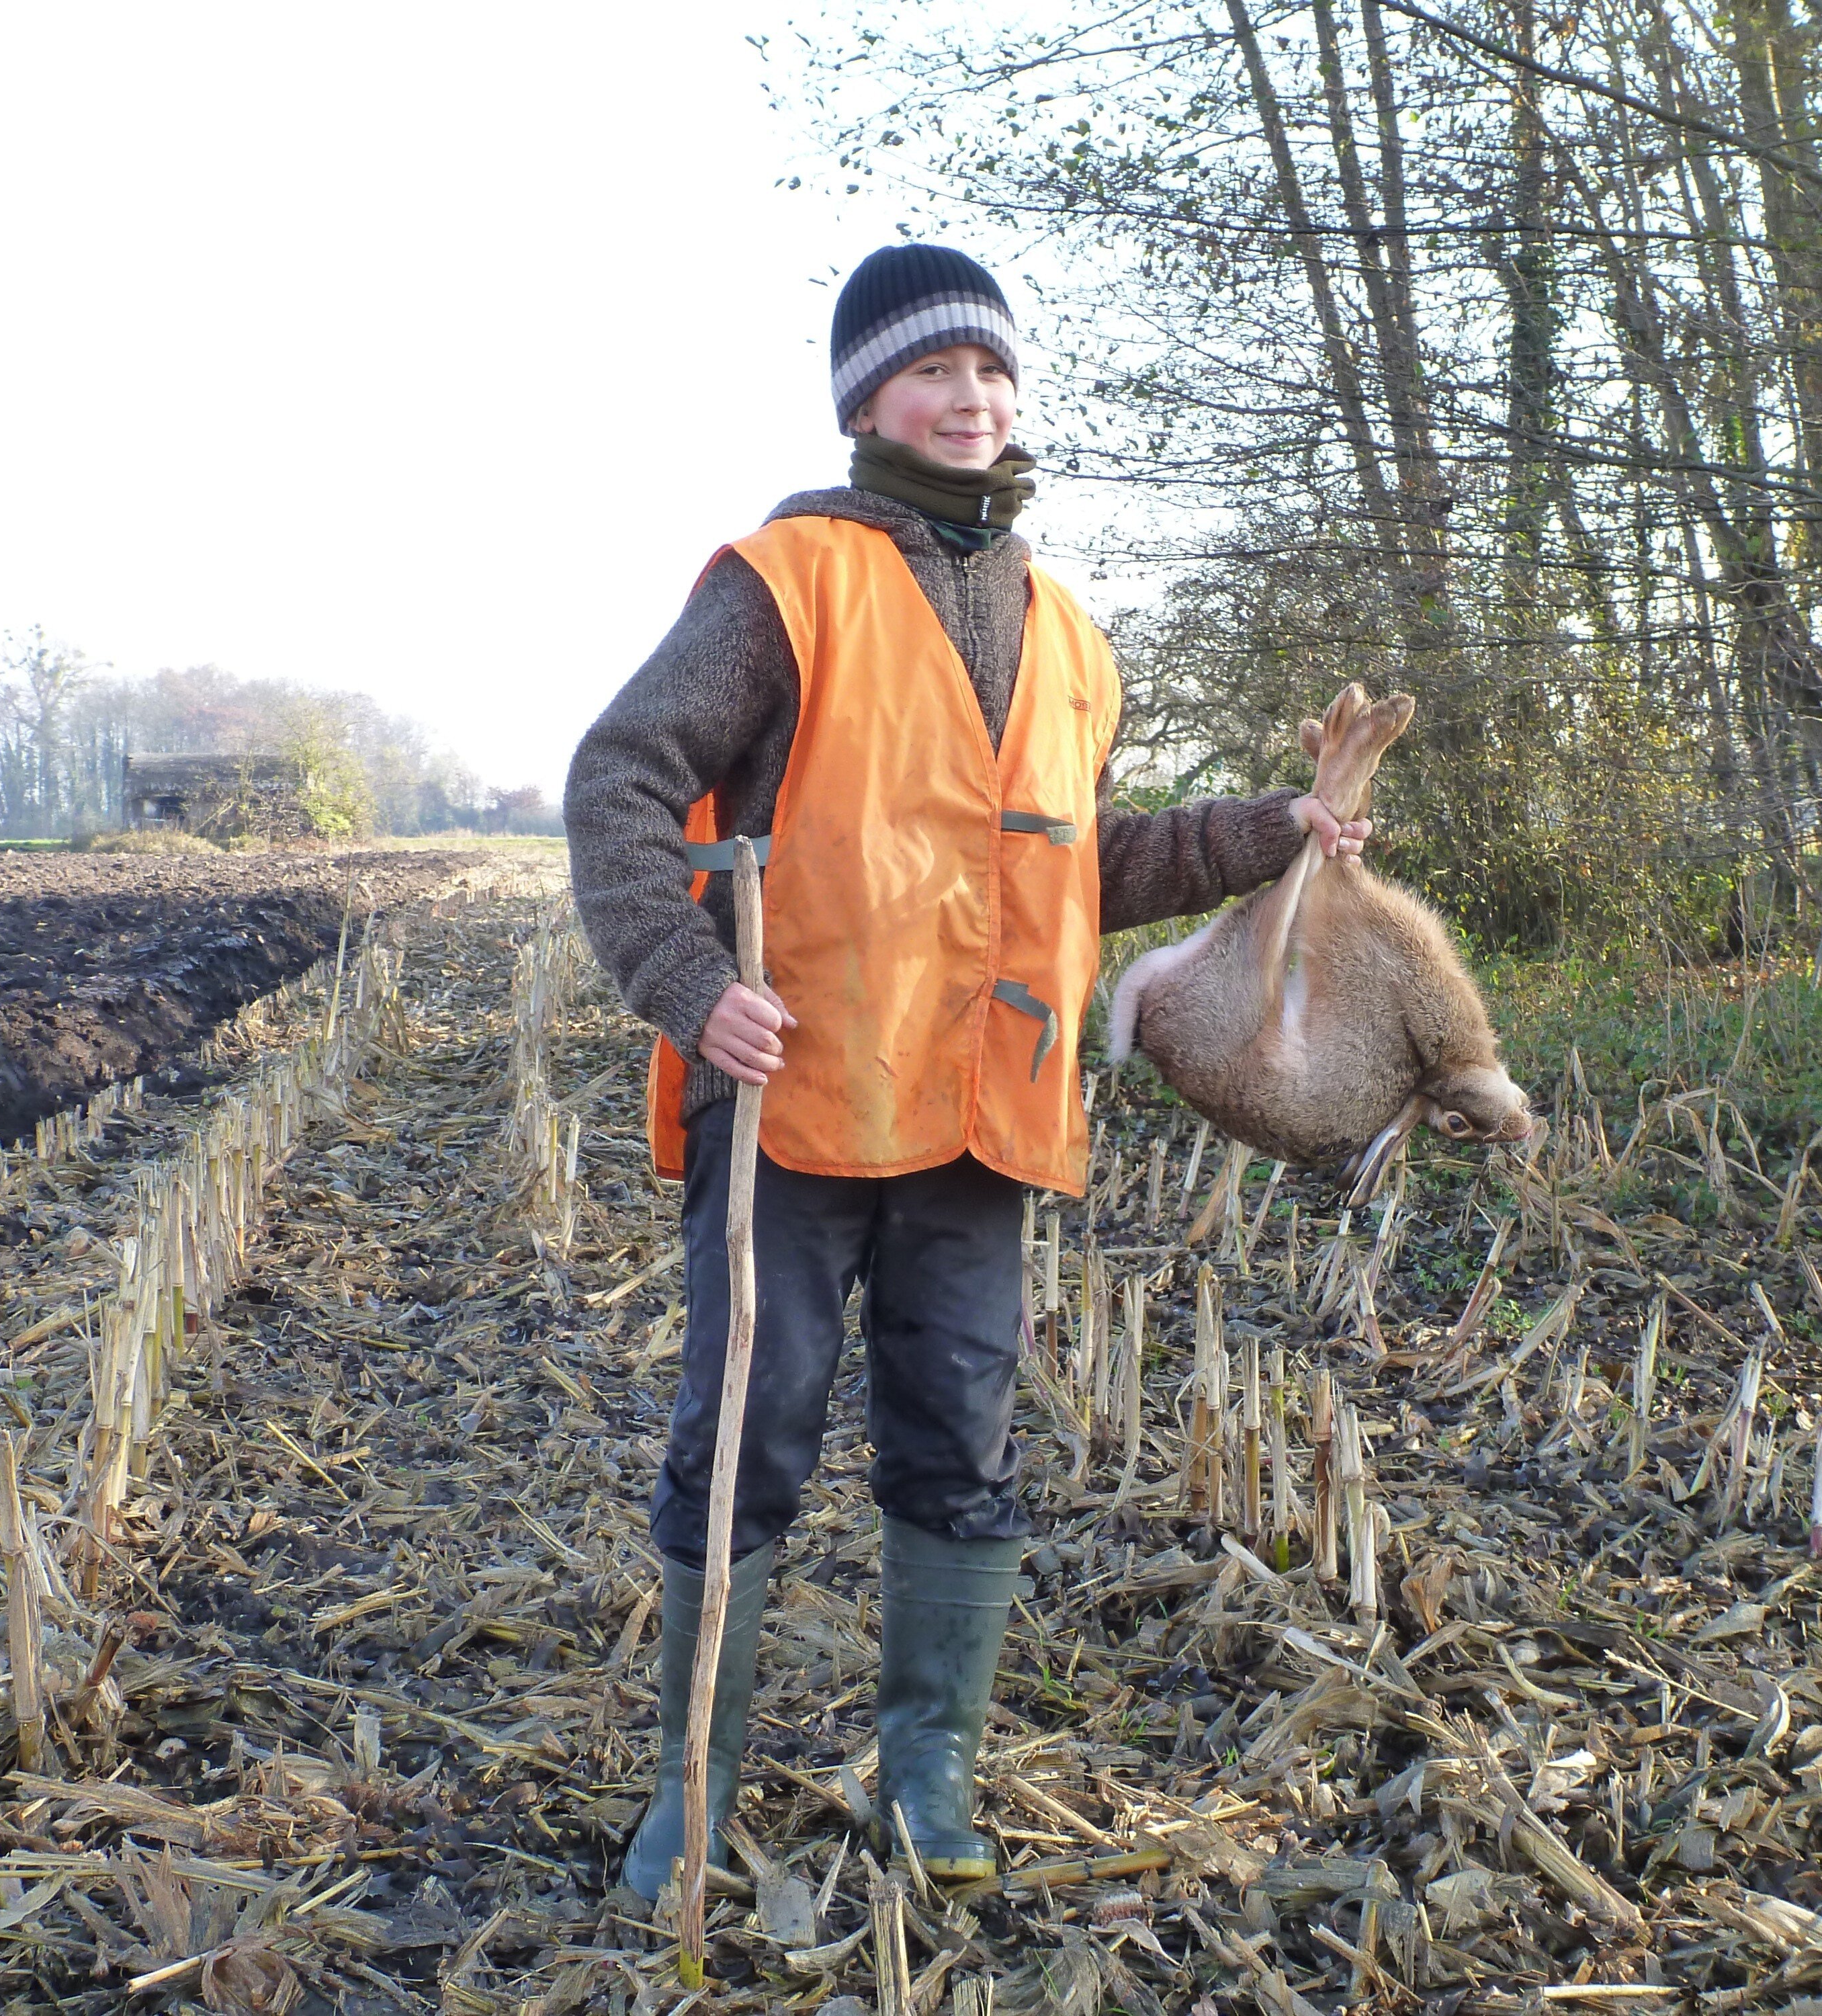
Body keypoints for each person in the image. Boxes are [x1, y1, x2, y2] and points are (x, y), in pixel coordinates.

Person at [564, 243, 1369, 1898]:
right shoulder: (783, 579)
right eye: (934, 371)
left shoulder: (1066, 626)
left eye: (992, 373)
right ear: (867, 395)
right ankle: (689, 1786)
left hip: (984, 1113)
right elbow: (619, 782)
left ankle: (926, 1776)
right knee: (747, 1431)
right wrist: (687, 986)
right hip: (792, 1093)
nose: (970, 399)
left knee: (961, 1441)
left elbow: (1074, 866)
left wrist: (1262, 834)